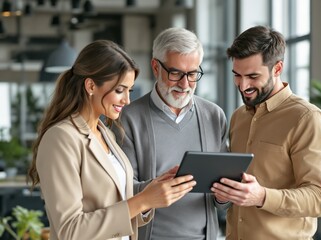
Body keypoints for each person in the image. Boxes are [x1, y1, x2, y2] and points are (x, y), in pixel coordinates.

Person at [27, 40, 196, 240]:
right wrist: (142, 201)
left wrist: (152, 191)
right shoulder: (61, 138)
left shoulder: (105, 133)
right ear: (90, 85)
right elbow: (69, 230)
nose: (127, 100)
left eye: (129, 91)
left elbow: (115, 199)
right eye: (119, 90)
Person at [211, 25, 321, 239]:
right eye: (237, 75)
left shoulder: (307, 119)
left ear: (277, 69)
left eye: (252, 76)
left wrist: (262, 196)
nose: (242, 85)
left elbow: (318, 199)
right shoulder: (239, 117)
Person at [117, 27, 229, 239]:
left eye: (193, 74)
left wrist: (225, 195)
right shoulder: (128, 118)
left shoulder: (214, 116)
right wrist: (155, 189)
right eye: (176, 73)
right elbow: (119, 191)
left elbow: (221, 201)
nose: (185, 84)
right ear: (155, 67)